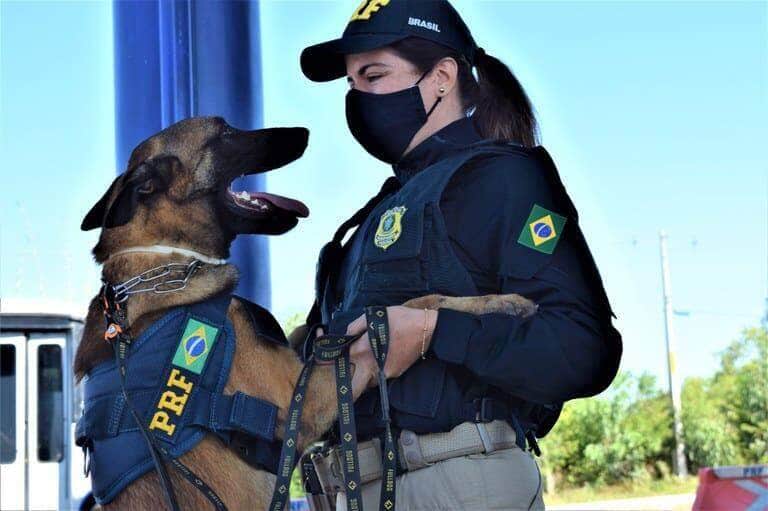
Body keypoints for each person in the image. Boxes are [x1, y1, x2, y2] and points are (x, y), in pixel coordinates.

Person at [296, 1, 623, 510]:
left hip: (453, 483)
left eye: (373, 75)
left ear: (442, 77)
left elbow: (584, 349)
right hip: (352, 490)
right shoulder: (368, 220)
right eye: (351, 83)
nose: (357, 97)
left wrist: (432, 331)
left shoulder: (503, 178)